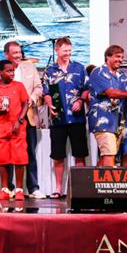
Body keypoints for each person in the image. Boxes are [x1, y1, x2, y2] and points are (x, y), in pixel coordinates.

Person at [42, 37, 89, 198]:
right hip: (58, 120)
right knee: (58, 155)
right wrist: (49, 105)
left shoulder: (79, 68)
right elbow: (46, 93)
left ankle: (80, 189)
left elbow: (86, 89)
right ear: (57, 50)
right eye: (64, 51)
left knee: (79, 154)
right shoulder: (49, 71)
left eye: (69, 50)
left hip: (77, 119)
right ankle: (58, 188)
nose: (67, 54)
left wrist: (81, 100)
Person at [87, 45, 127, 167]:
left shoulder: (122, 76)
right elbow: (110, 92)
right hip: (104, 120)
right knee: (109, 153)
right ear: (108, 57)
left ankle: (121, 184)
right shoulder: (98, 72)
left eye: (122, 57)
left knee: (126, 152)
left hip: (122, 121)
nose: (120, 59)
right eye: (117, 56)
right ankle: (108, 185)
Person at [4, 41, 44, 198]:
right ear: (7, 54)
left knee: (30, 153)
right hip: (9, 118)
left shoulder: (30, 67)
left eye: (19, 52)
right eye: (14, 53)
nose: (18, 55)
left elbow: (39, 87)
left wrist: (32, 99)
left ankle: (33, 188)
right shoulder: (2, 69)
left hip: (29, 115)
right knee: (9, 153)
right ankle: (9, 188)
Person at [0, 60, 30, 203]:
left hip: (17, 127)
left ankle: (19, 190)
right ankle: (5, 189)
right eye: (8, 71)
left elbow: (26, 103)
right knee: (3, 159)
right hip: (1, 127)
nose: (12, 73)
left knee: (19, 158)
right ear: (0, 73)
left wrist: (19, 120)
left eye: (13, 71)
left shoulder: (19, 86)